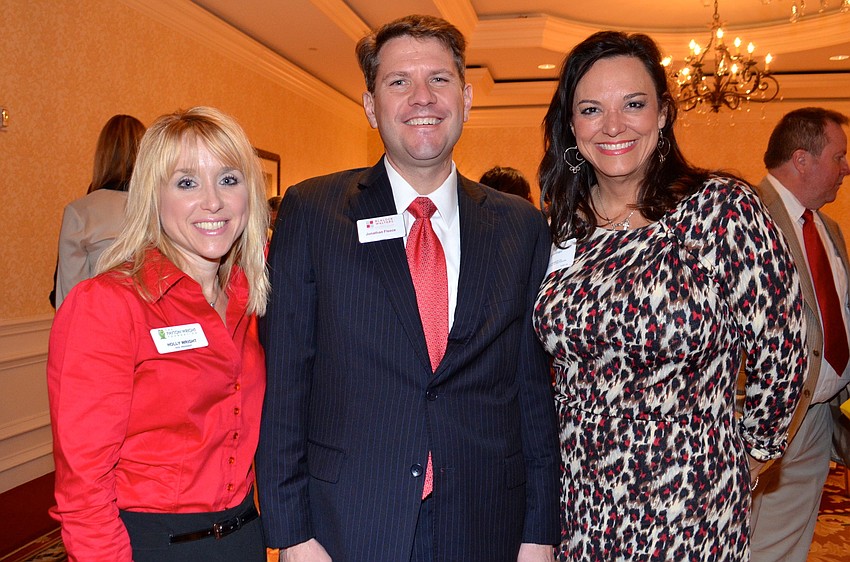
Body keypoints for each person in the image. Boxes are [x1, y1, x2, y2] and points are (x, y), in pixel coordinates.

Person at [256, 14, 560, 562]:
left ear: (465, 97)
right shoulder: (314, 212)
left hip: (485, 519)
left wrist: (539, 532)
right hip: (348, 522)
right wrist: (292, 534)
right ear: (371, 105)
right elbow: (285, 382)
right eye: (399, 82)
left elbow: (532, 394)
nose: (423, 97)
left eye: (439, 80)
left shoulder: (521, 228)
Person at [532, 31, 807, 560]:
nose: (613, 126)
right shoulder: (556, 227)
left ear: (662, 114)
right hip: (578, 503)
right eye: (592, 109)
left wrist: (750, 454)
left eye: (634, 104)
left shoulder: (722, 210)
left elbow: (784, 350)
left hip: (691, 502)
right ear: (571, 125)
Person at [47, 106, 270, 561]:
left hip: (245, 538)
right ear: (153, 195)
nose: (213, 202)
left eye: (229, 179)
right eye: (186, 182)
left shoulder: (252, 298)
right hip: (152, 546)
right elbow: (84, 488)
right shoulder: (107, 304)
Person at [749, 107, 850, 561]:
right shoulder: (745, 218)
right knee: (754, 540)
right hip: (766, 419)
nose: (846, 168)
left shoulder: (829, 228)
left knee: (793, 540)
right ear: (802, 158)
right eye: (839, 156)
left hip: (823, 413)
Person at [53, 114, 146, 308]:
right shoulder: (162, 208)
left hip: (102, 323)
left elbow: (69, 297)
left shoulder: (81, 212)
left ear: (102, 155)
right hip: (156, 328)